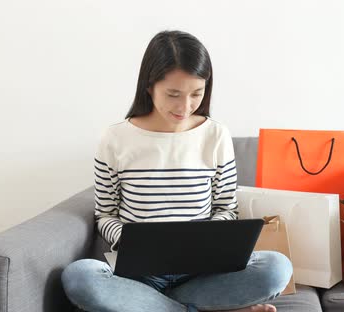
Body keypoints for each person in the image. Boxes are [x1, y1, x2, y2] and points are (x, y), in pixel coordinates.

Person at [61, 30, 293, 312]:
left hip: (203, 272)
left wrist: (205, 240)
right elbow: (106, 214)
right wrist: (130, 241)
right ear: (149, 86)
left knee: (277, 268)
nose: (185, 106)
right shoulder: (116, 138)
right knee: (80, 277)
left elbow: (226, 208)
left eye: (197, 93)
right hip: (139, 276)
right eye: (173, 94)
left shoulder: (215, 135)